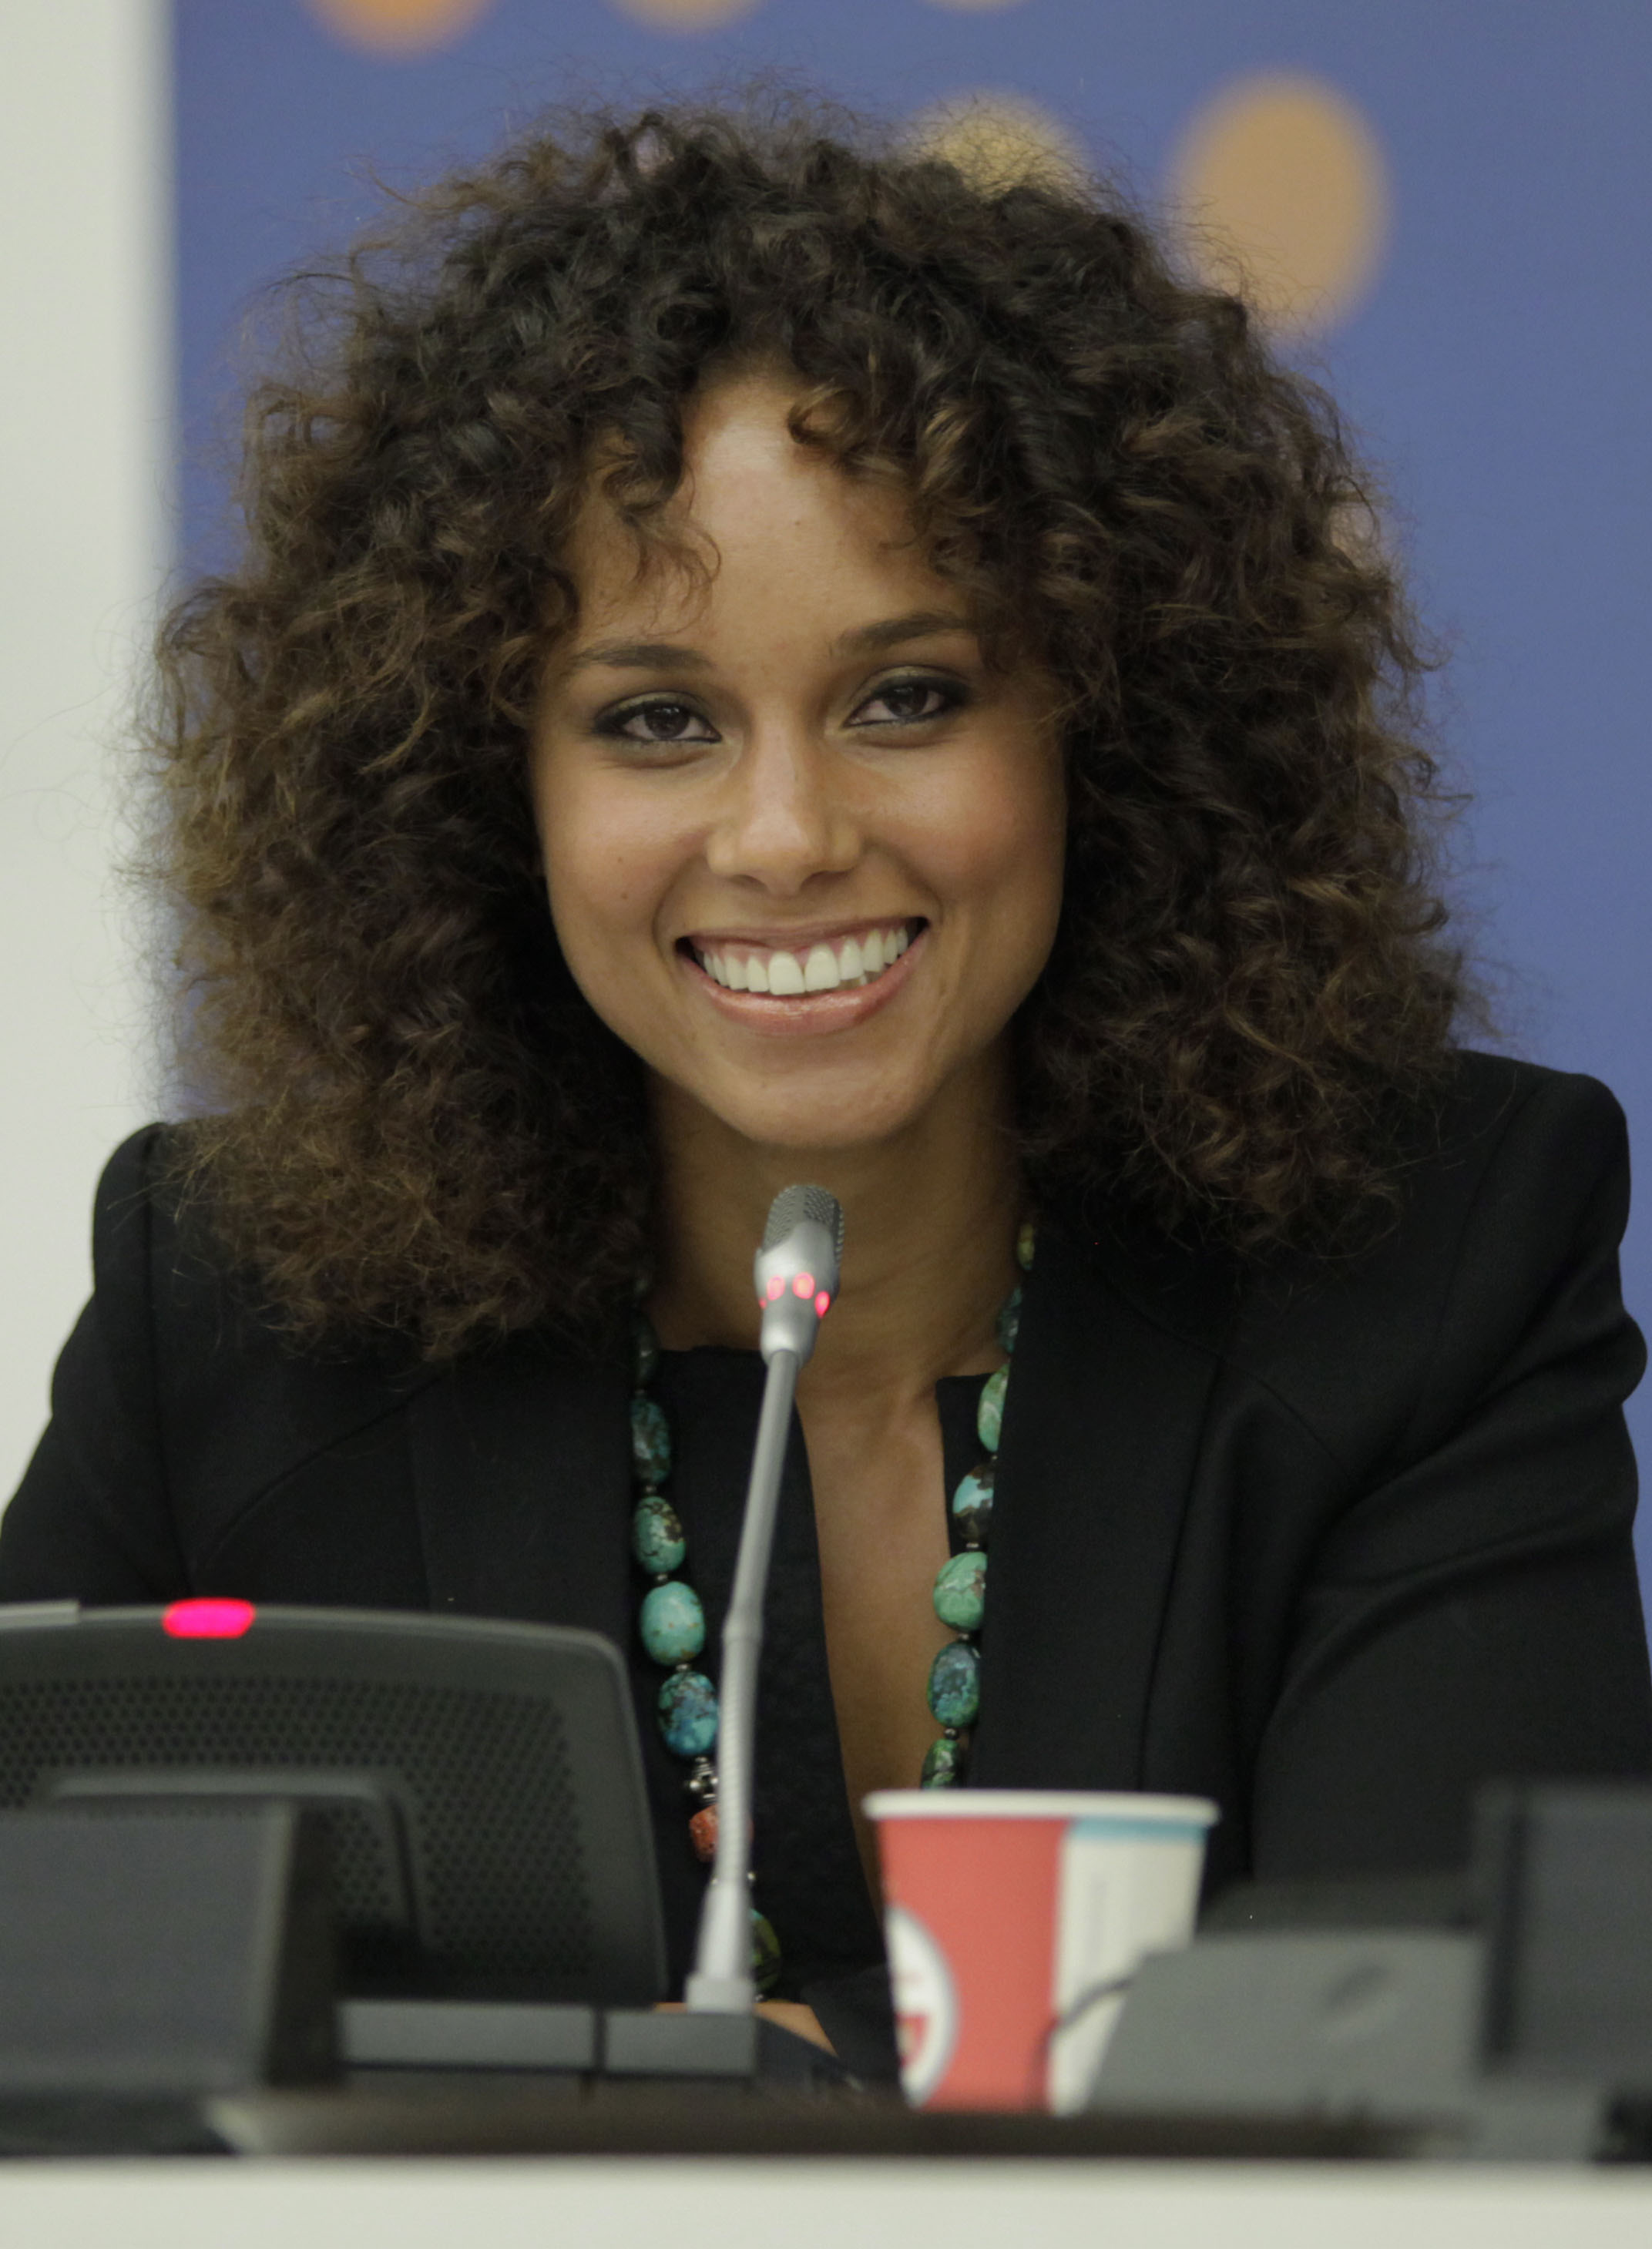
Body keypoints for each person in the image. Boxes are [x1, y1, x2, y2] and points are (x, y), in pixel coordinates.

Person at [2, 102, 1648, 2073]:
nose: (783, 834)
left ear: (1101, 721)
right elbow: (52, 2016)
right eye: (657, 722)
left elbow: (1456, 2031)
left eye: (905, 697)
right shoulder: (235, 1307)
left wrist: (707, 2070)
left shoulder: (1432, 1255)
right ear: (480, 787)